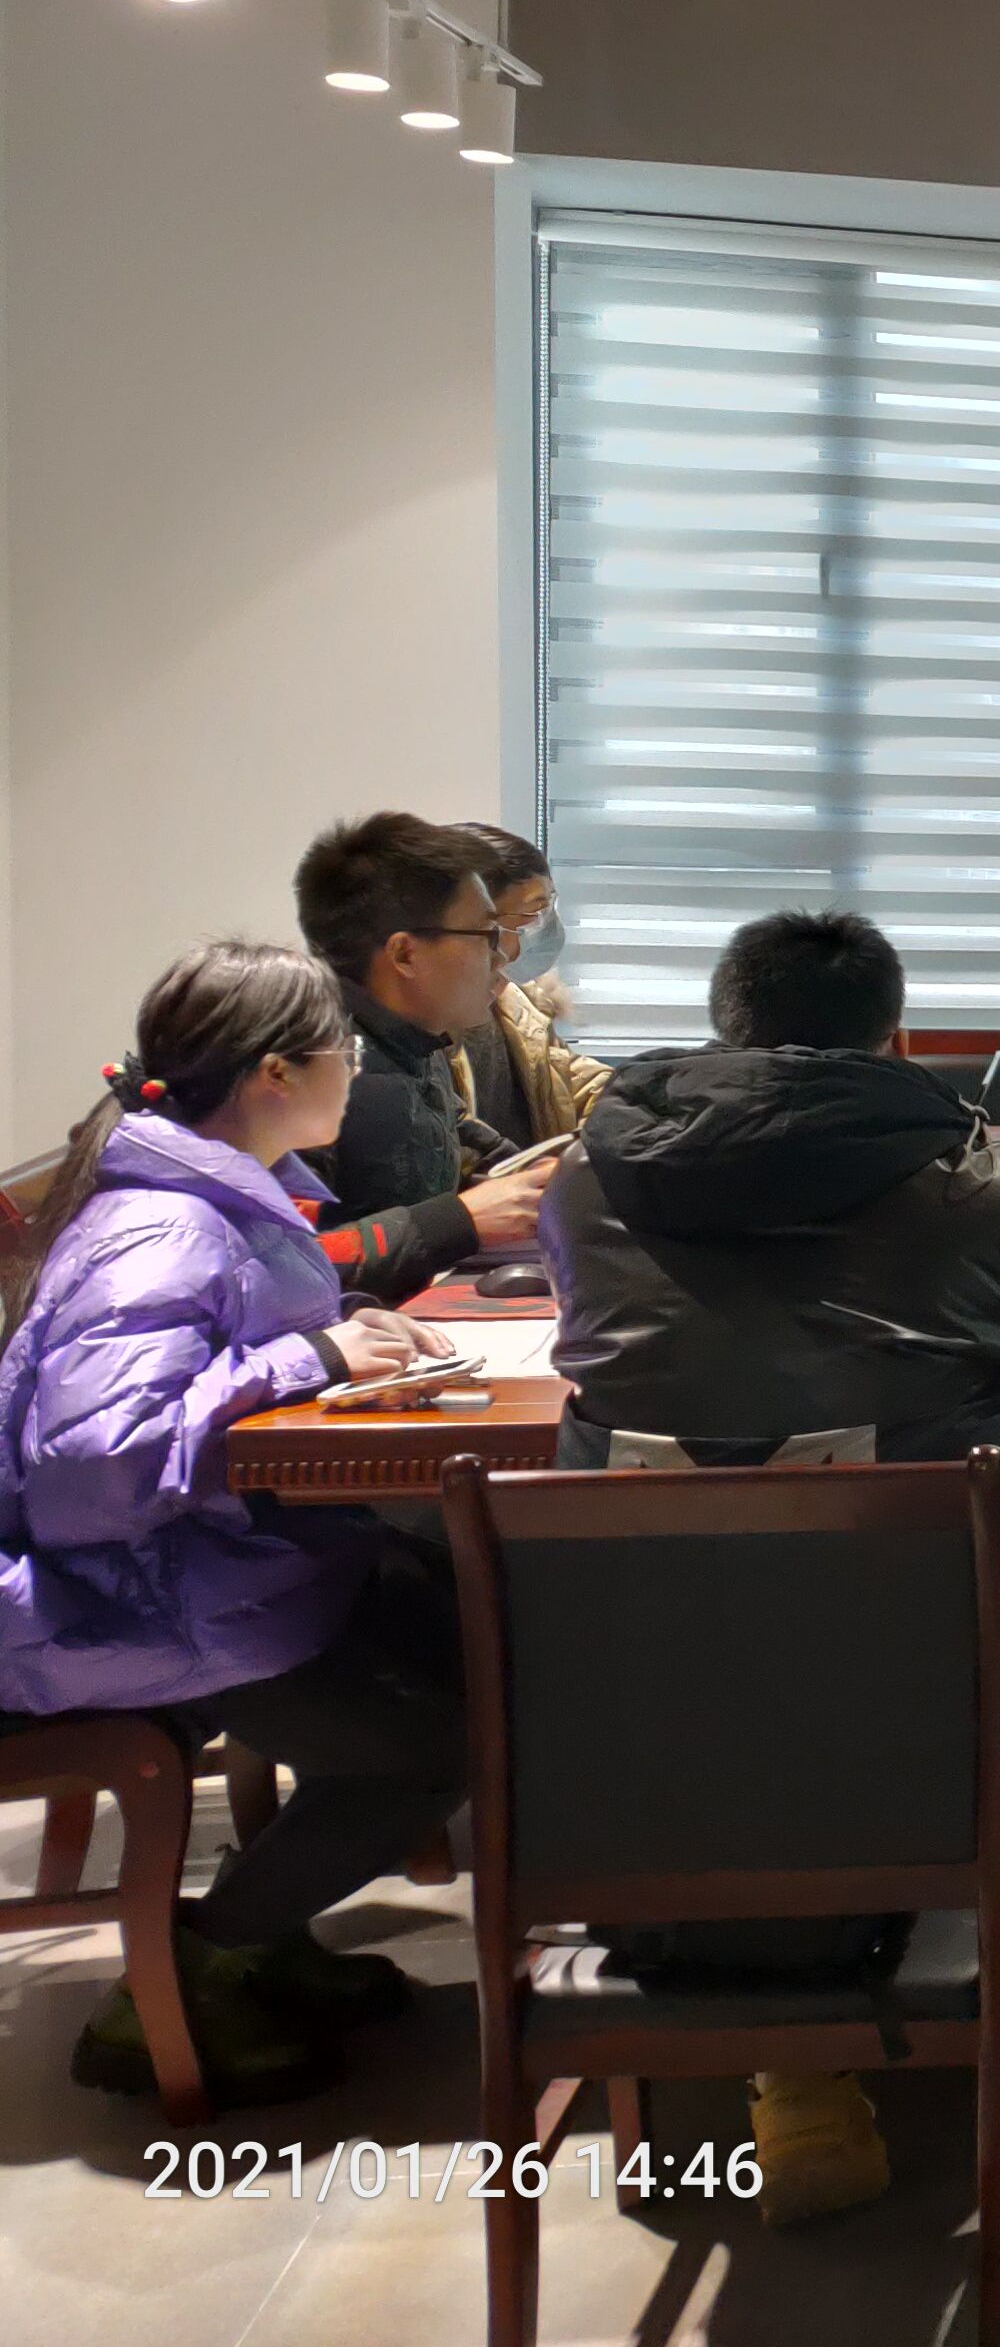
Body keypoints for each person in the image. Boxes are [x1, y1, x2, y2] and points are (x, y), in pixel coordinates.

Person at [542, 909, 1000, 2220]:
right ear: (896, 1037)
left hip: (624, 1758)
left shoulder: (587, 1189)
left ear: (726, 1028)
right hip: (922, 1748)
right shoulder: (997, 1192)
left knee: (747, 1707)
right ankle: (826, 2032)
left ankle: (780, 2047)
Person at [0, 943, 474, 2110]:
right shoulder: (164, 1226)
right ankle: (195, 1970)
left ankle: (263, 1942)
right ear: (274, 1074)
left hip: (206, 1569)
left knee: (467, 1624)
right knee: (444, 1734)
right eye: (343, 1050)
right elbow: (94, 1469)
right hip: (131, 1602)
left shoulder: (215, 1200)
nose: (356, 1070)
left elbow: (204, 1356)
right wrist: (311, 1358)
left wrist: (342, 1332)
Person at [291, 812, 552, 1302]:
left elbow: (473, 1144)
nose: (502, 956)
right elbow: (286, 1264)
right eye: (486, 933)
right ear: (405, 955)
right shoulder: (303, 1069)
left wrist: (549, 1176)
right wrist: (460, 1221)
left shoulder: (417, 1043)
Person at [452, 824, 607, 1151]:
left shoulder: (522, 1010)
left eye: (548, 908)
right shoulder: (426, 1039)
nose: (546, 925)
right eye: (534, 913)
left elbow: (571, 1083)